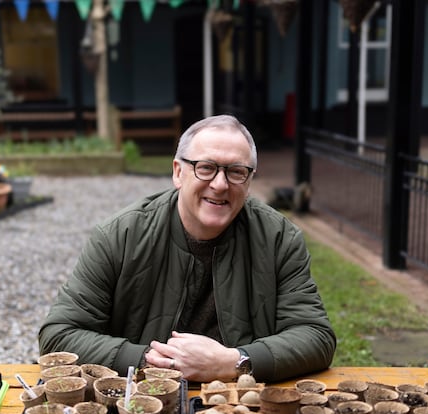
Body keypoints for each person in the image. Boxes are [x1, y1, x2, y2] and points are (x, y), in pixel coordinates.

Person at [38, 114, 335, 383]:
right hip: (143, 401)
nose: (220, 184)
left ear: (249, 181)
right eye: (205, 168)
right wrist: (149, 361)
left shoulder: (278, 238)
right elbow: (58, 335)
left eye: (236, 172)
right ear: (178, 172)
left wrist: (236, 361)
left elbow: (315, 336)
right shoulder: (121, 235)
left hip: (241, 402)